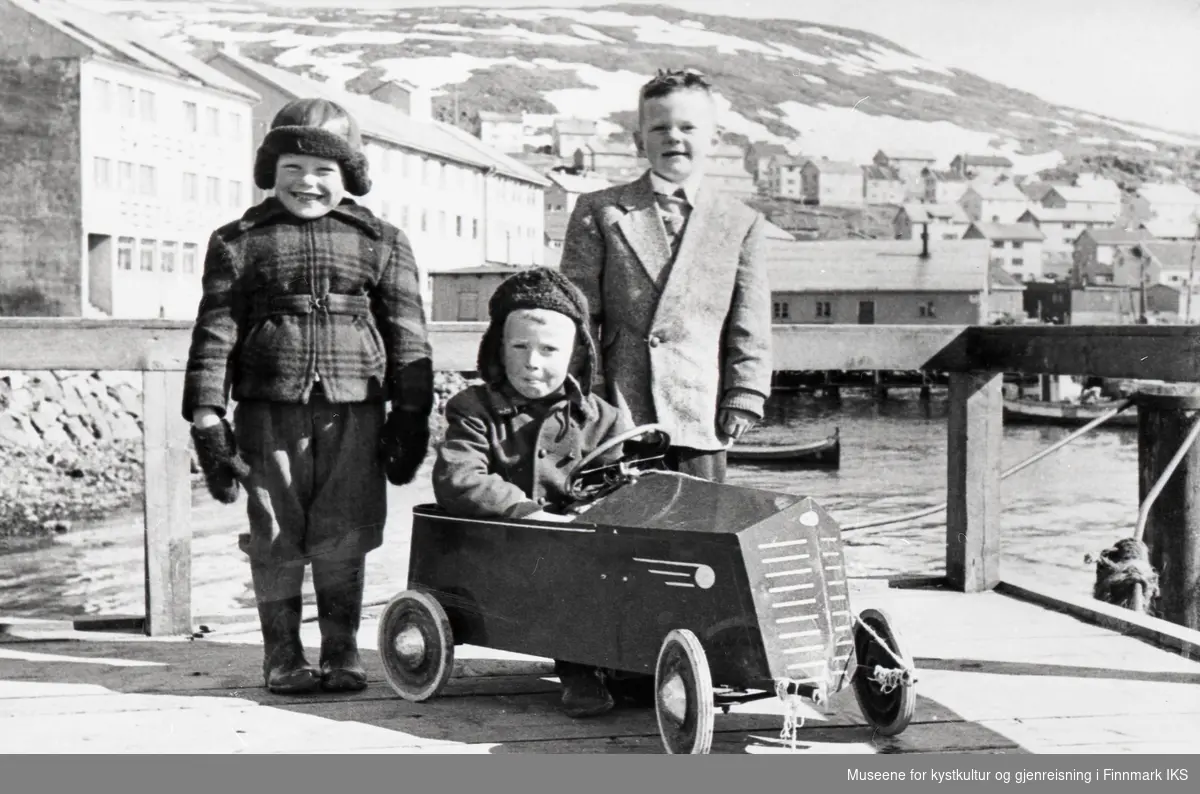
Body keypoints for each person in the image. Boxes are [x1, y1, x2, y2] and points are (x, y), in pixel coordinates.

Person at [182, 98, 434, 696]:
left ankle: (343, 649)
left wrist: (413, 413)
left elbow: (408, 331)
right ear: (271, 169)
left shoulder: (383, 240)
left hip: (357, 411)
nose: (307, 183)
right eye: (293, 167)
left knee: (346, 528)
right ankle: (283, 655)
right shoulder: (239, 240)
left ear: (349, 176)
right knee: (274, 529)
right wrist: (206, 415)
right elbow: (215, 329)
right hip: (269, 412)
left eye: (324, 170)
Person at [431, 267, 636, 718]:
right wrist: (523, 511)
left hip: (580, 538)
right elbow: (459, 476)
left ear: (577, 354)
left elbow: (618, 480)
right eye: (518, 347)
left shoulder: (602, 417)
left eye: (549, 350)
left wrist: (594, 509)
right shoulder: (475, 409)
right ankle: (580, 668)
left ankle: (635, 657)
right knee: (568, 568)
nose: (532, 363)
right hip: (505, 544)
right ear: (498, 349)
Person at [559, 68, 773, 483]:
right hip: (621, 414)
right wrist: (587, 395)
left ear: (714, 139)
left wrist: (745, 393)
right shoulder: (600, 210)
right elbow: (579, 316)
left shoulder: (739, 222)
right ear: (640, 142)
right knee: (620, 532)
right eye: (659, 128)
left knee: (699, 534)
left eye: (688, 127)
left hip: (701, 411)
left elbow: (752, 320)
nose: (674, 137)